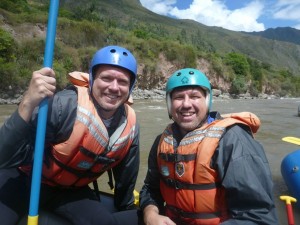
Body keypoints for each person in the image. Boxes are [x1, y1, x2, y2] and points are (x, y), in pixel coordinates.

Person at [0, 45, 140, 225]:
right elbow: (4, 156)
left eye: (122, 82)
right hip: (24, 180)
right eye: (106, 78)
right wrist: (28, 101)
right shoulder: (64, 106)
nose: (114, 87)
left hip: (70, 191)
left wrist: (125, 208)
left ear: (131, 87)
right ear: (91, 80)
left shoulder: (130, 125)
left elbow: (126, 177)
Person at [139, 68, 279, 225]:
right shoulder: (162, 141)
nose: (186, 104)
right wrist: (150, 214)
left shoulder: (232, 140)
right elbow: (151, 189)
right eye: (179, 97)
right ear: (169, 104)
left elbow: (259, 217)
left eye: (194, 96)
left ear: (207, 101)